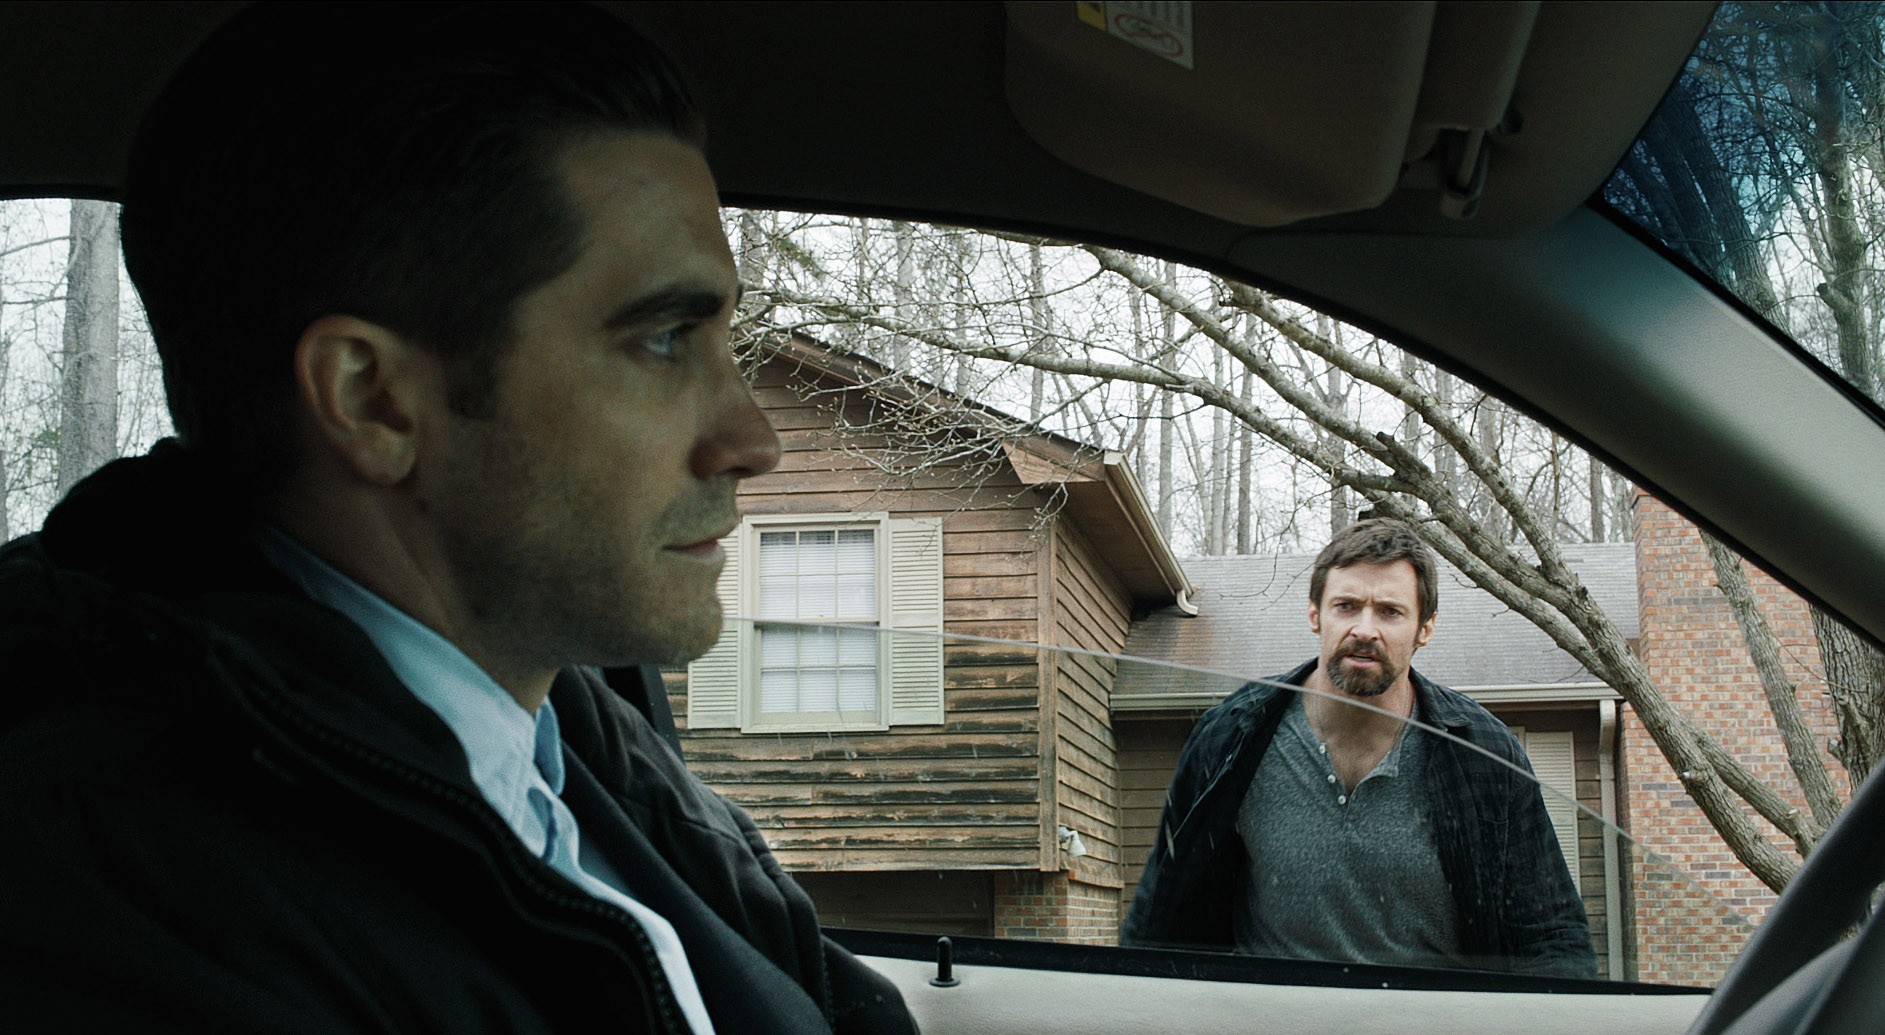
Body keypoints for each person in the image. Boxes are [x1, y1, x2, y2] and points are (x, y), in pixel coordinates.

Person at [0, 5, 917, 1032]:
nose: (752, 440)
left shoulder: (570, 738)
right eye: (664, 339)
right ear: (374, 400)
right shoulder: (119, 905)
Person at [1122, 519, 1595, 977]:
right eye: (1346, 606)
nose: (1365, 629)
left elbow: (1552, 936)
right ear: (1315, 614)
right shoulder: (1233, 735)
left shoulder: (1481, 754)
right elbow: (1160, 911)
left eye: (1390, 611)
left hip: (1430, 1017)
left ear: (1425, 628)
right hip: (1267, 1015)